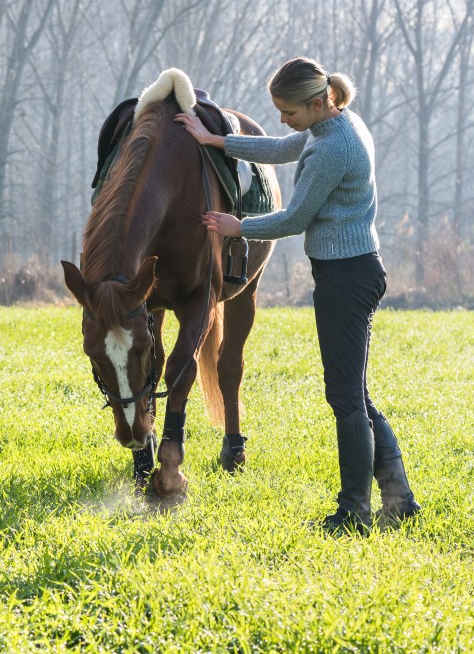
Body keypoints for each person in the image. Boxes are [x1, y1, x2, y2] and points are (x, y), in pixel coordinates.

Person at [174, 56, 420, 535]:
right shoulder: (335, 122)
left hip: (346, 279)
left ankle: (354, 513)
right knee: (356, 395)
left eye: (288, 111)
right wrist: (217, 140)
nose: (284, 119)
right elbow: (282, 147)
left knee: (345, 397)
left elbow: (294, 219)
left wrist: (236, 226)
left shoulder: (335, 147)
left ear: (314, 102)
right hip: (352, 271)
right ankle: (399, 498)